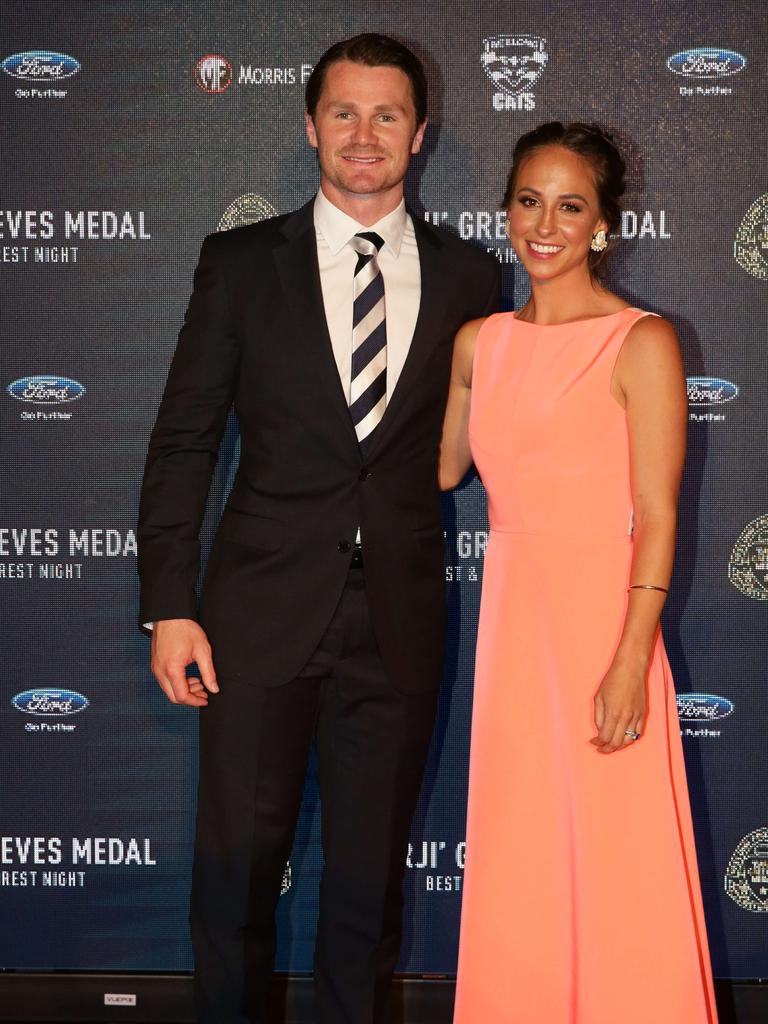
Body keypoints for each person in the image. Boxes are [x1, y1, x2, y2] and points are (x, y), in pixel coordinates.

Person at [137, 32, 499, 1024]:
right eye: (344, 112)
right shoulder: (242, 263)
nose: (364, 134)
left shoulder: (475, 280)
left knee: (367, 884)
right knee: (235, 876)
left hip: (398, 621)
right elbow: (182, 441)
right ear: (309, 127)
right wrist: (169, 605)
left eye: (388, 113)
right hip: (255, 619)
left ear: (420, 133)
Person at [440, 122, 717, 1022]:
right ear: (506, 211)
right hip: (515, 632)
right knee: (523, 845)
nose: (545, 224)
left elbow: (661, 517)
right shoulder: (479, 343)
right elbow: (439, 468)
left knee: (615, 851)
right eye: (528, 201)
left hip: (605, 629)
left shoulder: (642, 341)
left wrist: (633, 657)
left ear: (603, 224)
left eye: (570, 206)